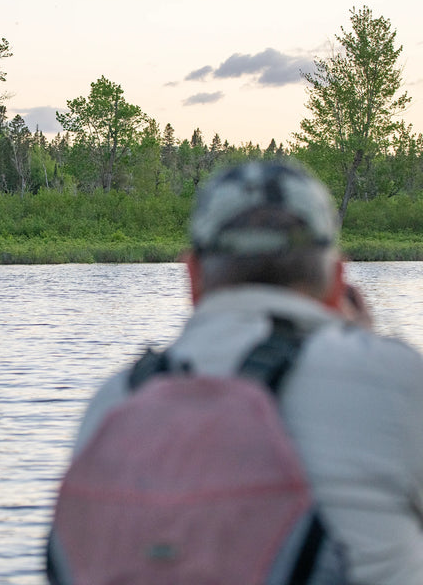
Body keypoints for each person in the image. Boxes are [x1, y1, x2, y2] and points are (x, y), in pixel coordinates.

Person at [51, 160, 423, 585]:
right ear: (338, 279)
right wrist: (368, 346)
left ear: (192, 276)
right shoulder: (397, 378)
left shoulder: (117, 399)